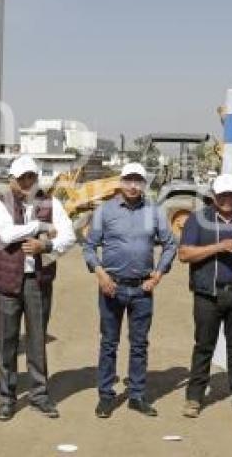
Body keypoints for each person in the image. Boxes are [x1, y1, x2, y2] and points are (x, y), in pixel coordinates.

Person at [83, 162, 177, 418]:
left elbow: (170, 245)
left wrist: (158, 274)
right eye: (128, 180)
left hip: (142, 290)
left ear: (144, 184)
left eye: (138, 181)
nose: (133, 185)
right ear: (121, 182)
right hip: (111, 287)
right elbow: (89, 246)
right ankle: (106, 395)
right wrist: (100, 274)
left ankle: (136, 395)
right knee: (109, 343)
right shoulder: (105, 211)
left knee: (139, 345)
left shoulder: (154, 212)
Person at [0, 155, 76, 420]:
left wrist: (46, 246)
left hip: (38, 281)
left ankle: (39, 394)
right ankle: (7, 397)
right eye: (22, 178)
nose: (27, 182)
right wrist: (39, 227)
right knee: (7, 341)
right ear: (11, 180)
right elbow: (6, 234)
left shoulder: (51, 203)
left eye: (31, 177)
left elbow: (69, 235)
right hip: (7, 280)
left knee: (37, 339)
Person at [178, 173, 232, 419]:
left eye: (231, 194)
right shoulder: (198, 220)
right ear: (214, 195)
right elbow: (184, 254)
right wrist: (219, 247)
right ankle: (194, 397)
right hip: (208, 294)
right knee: (204, 346)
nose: (227, 199)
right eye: (222, 195)